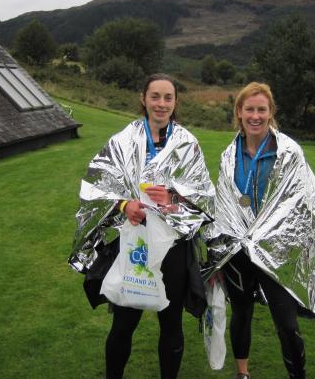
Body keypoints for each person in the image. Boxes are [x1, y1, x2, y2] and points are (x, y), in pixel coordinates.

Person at [206, 82, 315, 379]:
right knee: (241, 313)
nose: (255, 116)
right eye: (249, 109)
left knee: (286, 323)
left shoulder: (289, 153)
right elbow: (222, 205)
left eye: (261, 110)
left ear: (271, 112)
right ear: (239, 112)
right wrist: (216, 254)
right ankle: (242, 373)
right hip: (237, 252)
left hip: (277, 251)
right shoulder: (228, 155)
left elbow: (305, 201)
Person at [69, 74, 215, 379]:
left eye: (168, 97)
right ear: (143, 99)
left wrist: (173, 198)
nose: (161, 104)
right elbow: (97, 185)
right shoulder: (123, 140)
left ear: (175, 102)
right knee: (123, 322)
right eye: (155, 96)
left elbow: (204, 196)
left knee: (171, 323)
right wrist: (124, 206)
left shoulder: (187, 144)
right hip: (135, 243)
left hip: (172, 248)